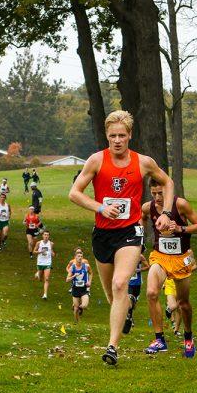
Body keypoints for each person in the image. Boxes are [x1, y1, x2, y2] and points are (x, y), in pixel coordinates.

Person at [68, 109, 174, 366]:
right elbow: (74, 193)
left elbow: (168, 183)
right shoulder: (96, 160)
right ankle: (125, 313)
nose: (117, 140)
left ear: (130, 136)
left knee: (119, 284)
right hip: (103, 234)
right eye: (112, 135)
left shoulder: (142, 162)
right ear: (107, 136)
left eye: (122, 135)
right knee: (112, 295)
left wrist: (167, 213)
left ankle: (112, 347)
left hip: (130, 232)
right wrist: (100, 208)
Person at [142, 177, 197, 358]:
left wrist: (180, 228)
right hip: (160, 256)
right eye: (153, 194)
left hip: (180, 258)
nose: (157, 198)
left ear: (168, 191)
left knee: (183, 304)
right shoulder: (149, 207)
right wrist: (140, 236)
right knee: (152, 293)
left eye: (161, 193)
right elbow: (141, 214)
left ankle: (188, 336)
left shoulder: (180, 204)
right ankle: (159, 339)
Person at [122, 253, 149, 334]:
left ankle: (130, 316)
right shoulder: (124, 255)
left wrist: (139, 270)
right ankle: (128, 319)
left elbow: (148, 267)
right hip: (128, 282)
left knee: (133, 304)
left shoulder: (140, 256)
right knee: (129, 301)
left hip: (137, 283)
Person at [67, 248, 93, 322]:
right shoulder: (72, 267)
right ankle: (77, 322)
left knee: (84, 305)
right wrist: (73, 276)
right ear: (75, 257)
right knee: (75, 309)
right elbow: (67, 279)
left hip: (84, 289)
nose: (80, 258)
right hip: (75, 289)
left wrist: (89, 282)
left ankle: (80, 307)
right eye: (78, 256)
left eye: (81, 256)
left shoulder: (86, 266)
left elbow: (91, 273)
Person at [33, 230, 55, 299]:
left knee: (47, 279)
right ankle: (38, 274)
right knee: (40, 279)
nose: (46, 236)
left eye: (47, 235)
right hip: (40, 262)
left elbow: (52, 252)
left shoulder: (51, 243)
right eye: (45, 235)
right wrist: (40, 251)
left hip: (48, 262)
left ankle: (45, 295)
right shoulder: (39, 243)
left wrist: (52, 253)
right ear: (42, 235)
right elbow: (34, 251)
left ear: (49, 236)